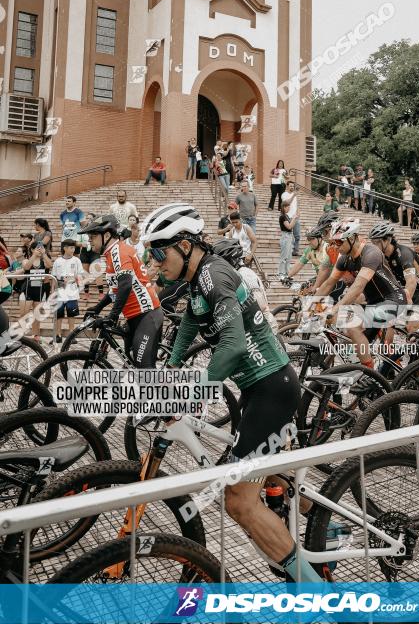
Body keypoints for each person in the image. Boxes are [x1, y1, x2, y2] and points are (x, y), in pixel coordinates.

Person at [140, 204, 312, 584]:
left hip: (272, 389)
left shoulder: (214, 275)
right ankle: (317, 516)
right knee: (247, 470)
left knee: (237, 500)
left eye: (158, 252)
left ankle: (312, 586)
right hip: (258, 389)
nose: (155, 263)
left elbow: (233, 347)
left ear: (184, 245)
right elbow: (188, 324)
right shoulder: (198, 277)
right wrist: (166, 375)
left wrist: (193, 393)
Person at [315, 219, 406, 372]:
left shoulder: (371, 253)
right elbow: (329, 283)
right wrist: (312, 305)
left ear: (352, 238)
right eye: (333, 242)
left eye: (338, 242)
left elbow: (357, 287)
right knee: (351, 336)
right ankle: (393, 373)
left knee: (353, 325)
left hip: (393, 299)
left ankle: (369, 375)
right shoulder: (344, 258)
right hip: (373, 302)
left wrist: (335, 308)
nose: (335, 246)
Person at [83, 215, 163, 368]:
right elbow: (116, 290)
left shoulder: (119, 252)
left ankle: (168, 391)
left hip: (147, 314)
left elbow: (125, 285)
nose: (89, 240)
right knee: (132, 365)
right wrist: (98, 307)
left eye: (92, 236)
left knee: (144, 370)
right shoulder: (111, 253)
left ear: (106, 235)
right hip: (134, 316)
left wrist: (112, 316)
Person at [213, 239, 278, 332]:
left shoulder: (245, 274)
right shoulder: (236, 274)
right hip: (251, 325)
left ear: (230, 260)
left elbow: (260, 304)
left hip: (262, 327)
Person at [52, 239, 84, 339]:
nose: (73, 249)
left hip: (72, 290)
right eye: (70, 247)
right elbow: (53, 277)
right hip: (60, 290)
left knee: (71, 313)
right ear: (64, 248)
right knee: (59, 314)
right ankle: (58, 334)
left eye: (73, 247)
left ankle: (71, 334)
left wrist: (74, 279)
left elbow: (80, 274)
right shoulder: (58, 261)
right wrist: (52, 291)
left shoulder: (76, 260)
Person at [21, 241, 53, 337]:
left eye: (41, 248)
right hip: (27, 288)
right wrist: (34, 255)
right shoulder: (26, 260)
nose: (39, 250)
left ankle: (36, 336)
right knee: (24, 314)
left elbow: (50, 265)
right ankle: (21, 335)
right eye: (37, 248)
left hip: (39, 289)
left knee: (37, 315)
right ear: (31, 249)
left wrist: (44, 254)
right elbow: (26, 267)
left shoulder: (44, 260)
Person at [281, 181, 301, 256]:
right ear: (287, 186)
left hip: (295, 217)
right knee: (289, 235)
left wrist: (298, 212)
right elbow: (287, 203)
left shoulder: (294, 195)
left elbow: (296, 204)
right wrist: (293, 195)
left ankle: (295, 250)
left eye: (293, 186)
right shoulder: (284, 194)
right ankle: (290, 249)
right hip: (288, 217)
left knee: (297, 235)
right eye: (291, 186)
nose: (292, 187)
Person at [278, 204, 296, 281]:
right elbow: (289, 227)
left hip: (289, 236)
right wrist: (294, 218)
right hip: (285, 236)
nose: (289, 208)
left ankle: (287, 273)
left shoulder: (287, 216)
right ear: (284, 207)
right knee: (284, 256)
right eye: (288, 207)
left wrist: (294, 218)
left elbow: (292, 227)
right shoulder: (282, 216)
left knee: (289, 257)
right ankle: (281, 273)